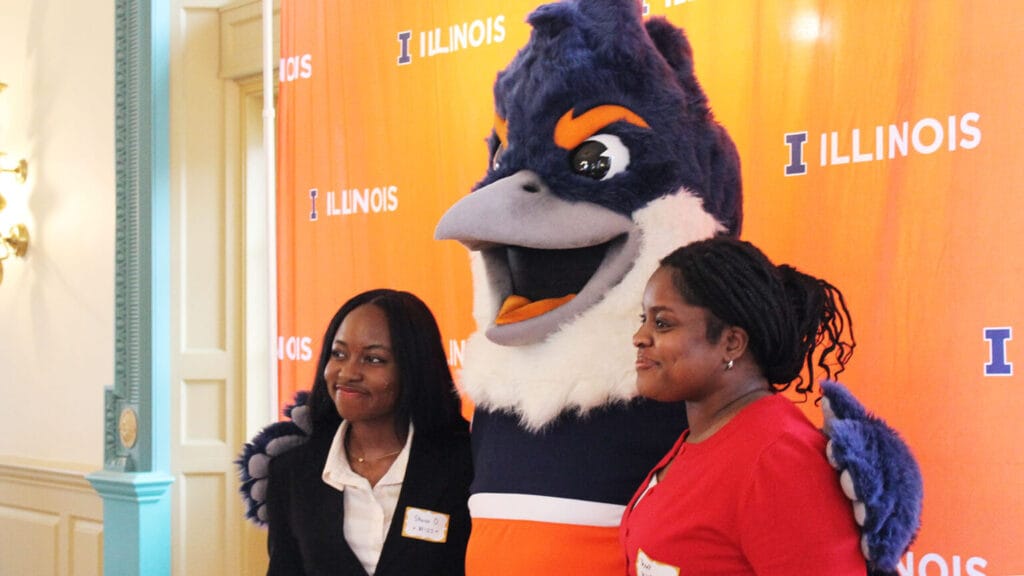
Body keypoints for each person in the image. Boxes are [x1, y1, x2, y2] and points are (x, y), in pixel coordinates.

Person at [620, 236, 866, 575]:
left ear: (731, 343)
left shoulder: (778, 459)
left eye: (662, 323)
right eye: (643, 319)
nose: (640, 337)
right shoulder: (704, 437)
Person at [265, 289, 472, 576]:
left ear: (414, 368)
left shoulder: (468, 468)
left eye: (373, 359)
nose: (348, 373)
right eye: (339, 354)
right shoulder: (290, 474)